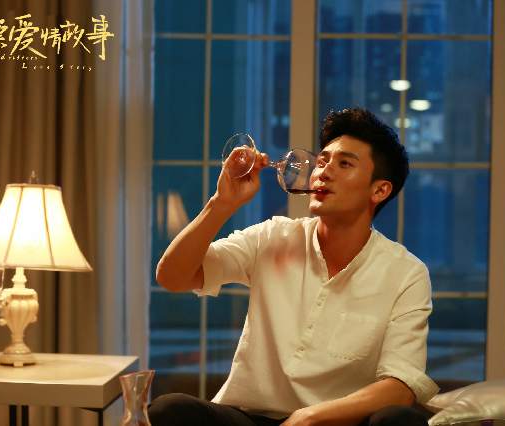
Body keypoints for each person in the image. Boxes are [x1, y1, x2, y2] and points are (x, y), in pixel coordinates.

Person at [152, 108, 438, 426]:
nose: (324, 172)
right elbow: (172, 277)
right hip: (251, 417)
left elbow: (400, 387)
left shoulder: (405, 273)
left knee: (399, 419)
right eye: (322, 161)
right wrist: (223, 202)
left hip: (334, 422)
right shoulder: (273, 236)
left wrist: (308, 417)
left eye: (344, 164)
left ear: (379, 190)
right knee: (170, 409)